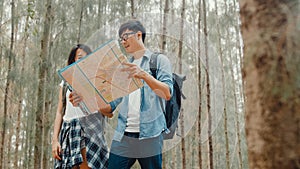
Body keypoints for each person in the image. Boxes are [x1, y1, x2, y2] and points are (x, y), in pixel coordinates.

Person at [70, 19, 173, 169]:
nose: (123, 42)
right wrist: (85, 98)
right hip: (123, 136)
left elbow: (167, 93)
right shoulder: (122, 67)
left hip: (151, 135)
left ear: (138, 35)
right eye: (121, 39)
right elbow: (109, 107)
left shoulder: (159, 61)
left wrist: (144, 75)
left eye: (125, 37)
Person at [52, 44, 109, 169]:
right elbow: (59, 112)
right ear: (73, 60)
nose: (84, 60)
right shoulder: (65, 82)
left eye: (87, 57)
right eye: (80, 57)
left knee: (87, 166)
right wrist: (55, 140)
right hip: (68, 129)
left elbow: (108, 110)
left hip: (90, 128)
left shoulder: (97, 81)